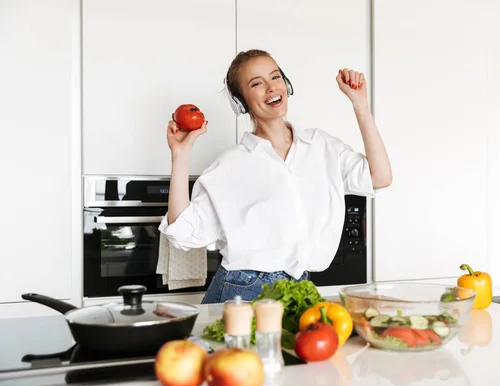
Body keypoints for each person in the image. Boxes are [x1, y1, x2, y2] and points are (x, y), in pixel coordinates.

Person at [159, 49, 392, 304]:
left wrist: (359, 103)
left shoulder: (322, 146)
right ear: (241, 102)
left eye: (275, 77)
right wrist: (180, 155)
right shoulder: (231, 164)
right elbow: (183, 232)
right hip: (244, 291)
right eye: (257, 83)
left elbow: (379, 177)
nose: (271, 87)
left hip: (299, 289)